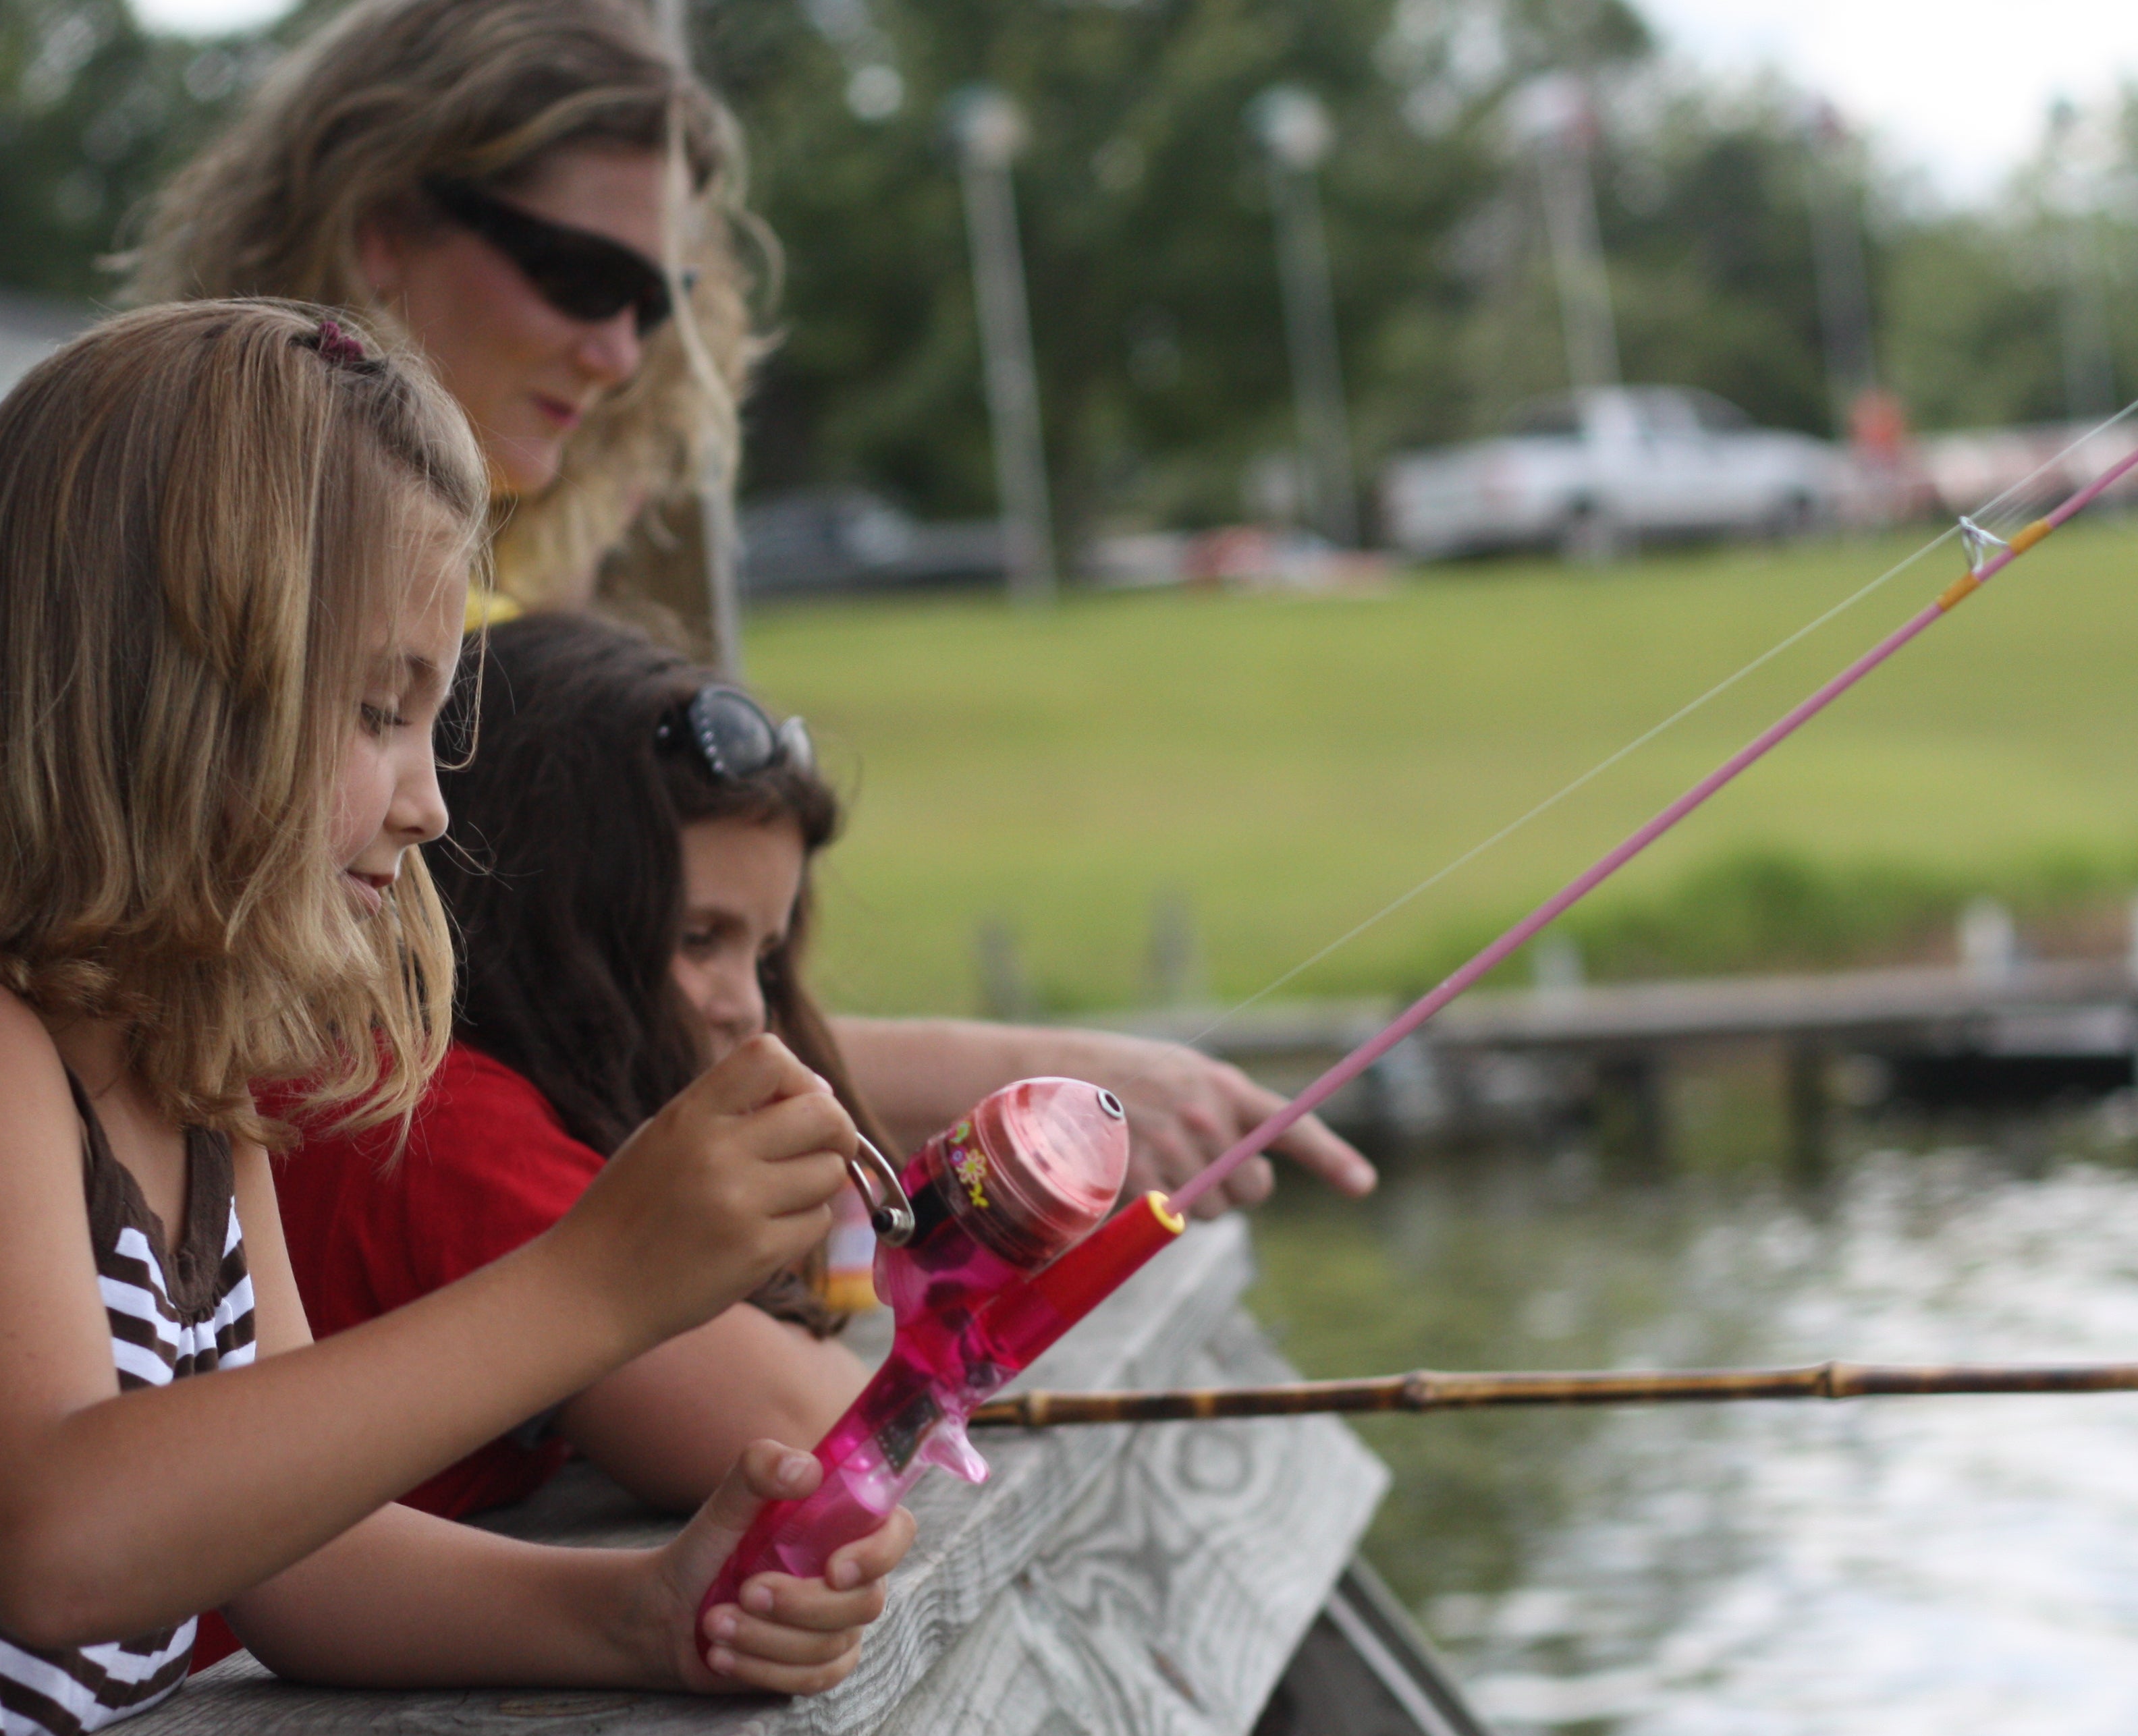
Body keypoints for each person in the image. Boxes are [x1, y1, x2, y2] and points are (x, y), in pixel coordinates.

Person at [0, 302, 912, 1736]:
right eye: (380, 713)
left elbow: (294, 1554)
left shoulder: (191, 1080)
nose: (430, 799)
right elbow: (64, 1534)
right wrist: (593, 1283)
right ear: (156, 691)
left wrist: (643, 1613)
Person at [124, 0, 1377, 1219]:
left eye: (655, 301)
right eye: (576, 274)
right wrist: (1020, 1076)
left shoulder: (480, 601)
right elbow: (530, 1034)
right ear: (382, 225)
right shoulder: (209, 585)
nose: (621, 352)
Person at [269, 612, 873, 1530]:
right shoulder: (432, 1121)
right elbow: (809, 1431)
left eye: (765, 956)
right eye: (697, 939)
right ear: (540, 915)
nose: (745, 1005)